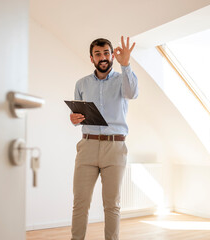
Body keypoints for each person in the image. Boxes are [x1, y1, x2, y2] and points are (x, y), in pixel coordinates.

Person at [69, 36, 138, 240]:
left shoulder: (123, 78)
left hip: (115, 148)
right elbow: (77, 116)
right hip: (87, 146)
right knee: (80, 202)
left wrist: (126, 65)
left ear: (112, 56)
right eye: (98, 54)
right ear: (91, 58)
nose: (103, 57)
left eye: (106, 53)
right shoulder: (81, 83)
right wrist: (73, 118)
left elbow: (132, 93)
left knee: (112, 204)